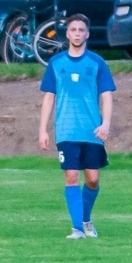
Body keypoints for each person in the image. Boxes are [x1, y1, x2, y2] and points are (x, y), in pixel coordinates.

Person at [37, 14, 114, 239]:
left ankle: (86, 220)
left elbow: (107, 96)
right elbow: (49, 97)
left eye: (81, 30)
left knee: (92, 179)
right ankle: (77, 228)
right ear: (67, 34)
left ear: (87, 34)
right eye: (73, 30)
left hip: (91, 131)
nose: (77, 33)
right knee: (71, 176)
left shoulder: (97, 62)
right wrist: (43, 130)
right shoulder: (56, 63)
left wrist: (106, 124)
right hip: (66, 130)